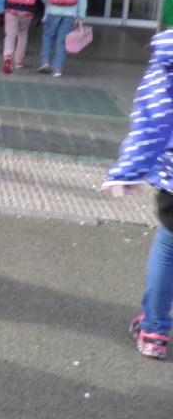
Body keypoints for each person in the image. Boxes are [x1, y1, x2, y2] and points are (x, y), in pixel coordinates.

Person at [102, 30, 173, 360]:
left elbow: (152, 120)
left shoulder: (168, 57)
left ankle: (154, 332)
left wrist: (128, 171)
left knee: (169, 249)